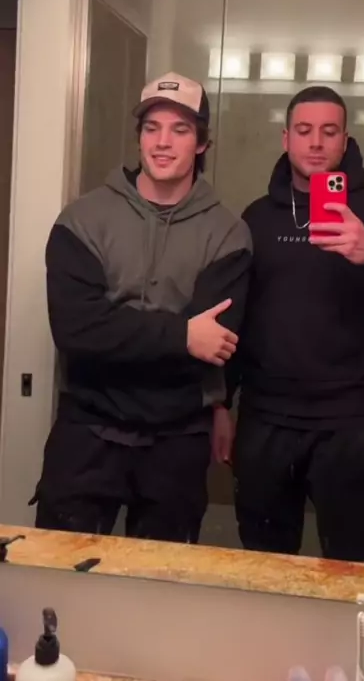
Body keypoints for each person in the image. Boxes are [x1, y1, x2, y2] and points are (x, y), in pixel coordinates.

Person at [31, 72, 252, 542]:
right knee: (58, 576)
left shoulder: (228, 234)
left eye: (180, 130)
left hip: (176, 442)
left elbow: (215, 344)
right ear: (139, 137)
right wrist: (182, 336)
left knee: (160, 583)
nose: (162, 142)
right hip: (87, 433)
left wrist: (121, 332)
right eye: (152, 128)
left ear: (202, 143)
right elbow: (77, 330)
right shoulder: (82, 221)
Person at [229, 85, 364, 564]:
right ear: (286, 138)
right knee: (263, 567)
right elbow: (236, 319)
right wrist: (221, 404)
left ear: (345, 140)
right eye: (304, 131)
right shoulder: (256, 219)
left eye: (329, 131)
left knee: (352, 567)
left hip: (346, 426)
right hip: (264, 421)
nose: (316, 143)